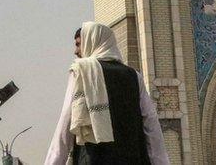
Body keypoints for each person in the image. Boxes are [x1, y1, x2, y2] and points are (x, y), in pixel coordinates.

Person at [43, 22, 170, 165]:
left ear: (92, 41)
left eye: (79, 44)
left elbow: (66, 121)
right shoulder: (134, 76)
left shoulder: (81, 72)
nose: (76, 51)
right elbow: (151, 125)